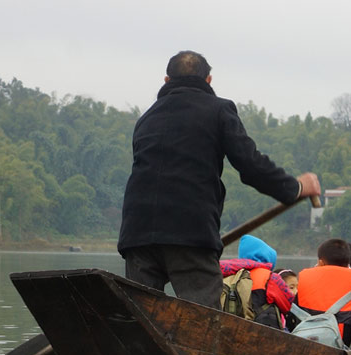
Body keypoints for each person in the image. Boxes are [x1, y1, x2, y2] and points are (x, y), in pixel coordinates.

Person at [117, 50, 321, 308]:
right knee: (203, 322)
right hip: (189, 231)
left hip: (137, 234)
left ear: (166, 81)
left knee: (139, 321)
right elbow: (250, 165)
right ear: (209, 81)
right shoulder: (219, 109)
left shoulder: (146, 118)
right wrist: (296, 187)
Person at [293, 238, 351, 345]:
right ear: (348, 262)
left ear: (321, 262)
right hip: (341, 344)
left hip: (305, 340)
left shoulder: (305, 278)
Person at [220, 235, 293, 329]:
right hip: (261, 330)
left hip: (231, 327)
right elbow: (287, 304)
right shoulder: (270, 277)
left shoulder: (226, 273)